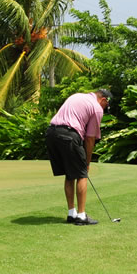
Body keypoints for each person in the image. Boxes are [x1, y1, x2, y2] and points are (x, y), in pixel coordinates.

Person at [46, 89, 112, 225]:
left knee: (70, 175)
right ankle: (81, 216)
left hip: (51, 133)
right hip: (69, 135)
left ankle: (72, 214)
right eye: (106, 107)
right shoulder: (96, 108)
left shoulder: (77, 96)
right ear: (104, 100)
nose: (104, 110)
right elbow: (90, 139)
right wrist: (86, 163)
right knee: (81, 175)